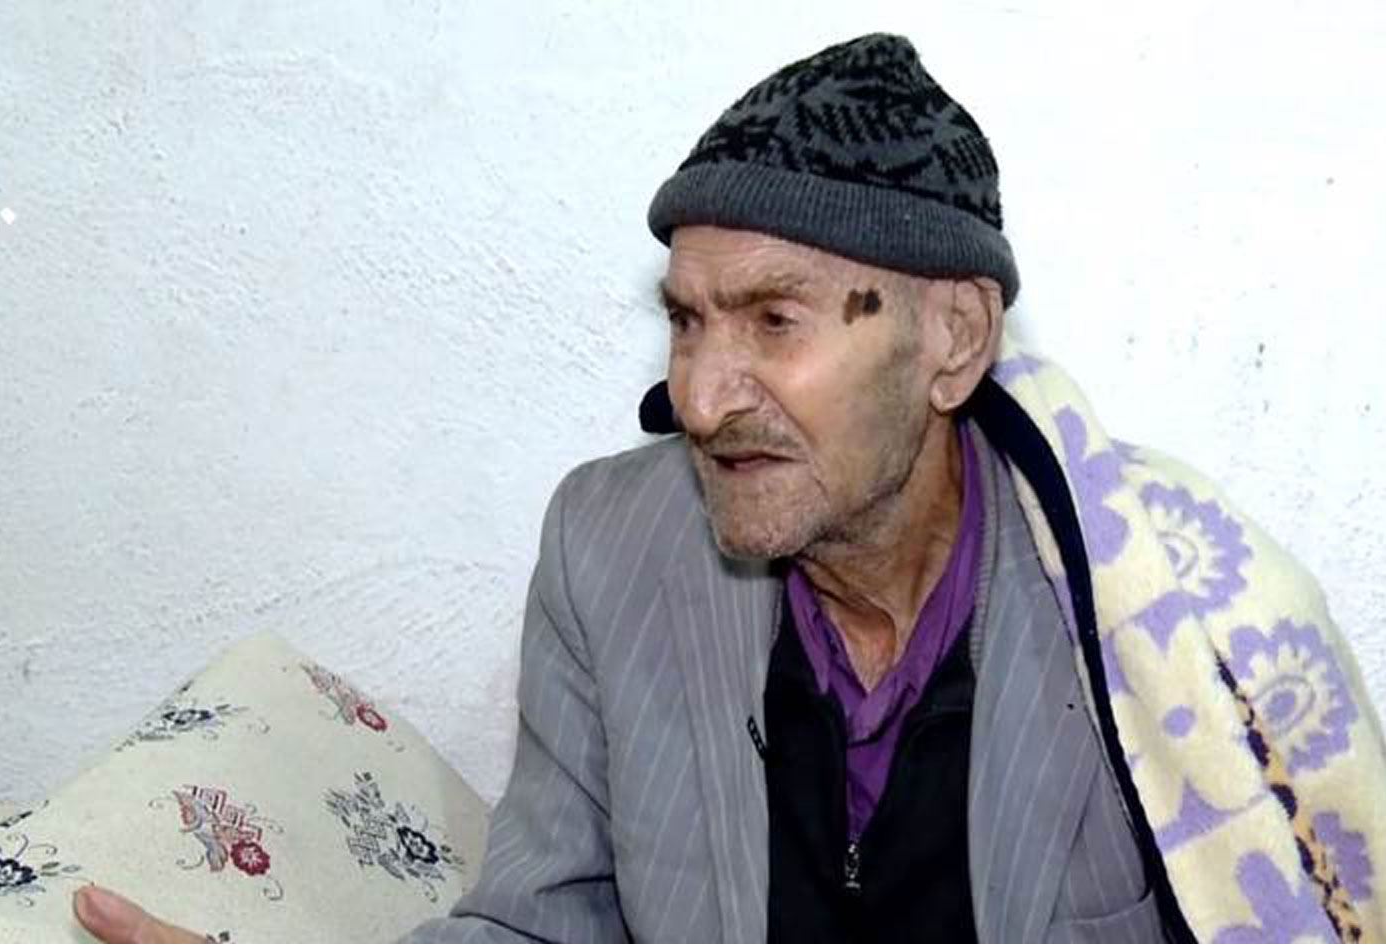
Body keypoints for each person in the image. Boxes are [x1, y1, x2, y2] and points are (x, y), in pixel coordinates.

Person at [74, 33, 1386, 944]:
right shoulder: (609, 547)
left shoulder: (1163, 617)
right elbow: (547, 922)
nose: (703, 397)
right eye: (688, 320)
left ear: (953, 340)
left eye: (773, 319)